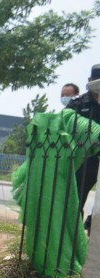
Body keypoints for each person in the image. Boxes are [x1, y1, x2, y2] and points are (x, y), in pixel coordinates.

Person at [67, 64, 100, 233]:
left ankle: (92, 224)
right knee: (76, 198)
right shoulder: (78, 103)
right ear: (89, 81)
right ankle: (74, 235)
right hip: (85, 160)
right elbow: (65, 125)